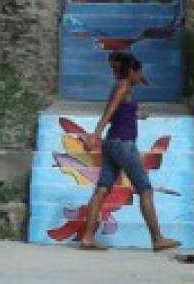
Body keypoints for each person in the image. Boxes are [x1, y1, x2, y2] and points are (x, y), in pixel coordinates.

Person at [78, 51, 181, 252]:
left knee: (102, 189)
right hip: (123, 144)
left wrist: (136, 113)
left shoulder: (124, 86)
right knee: (145, 189)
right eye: (138, 72)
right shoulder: (124, 86)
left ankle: (88, 237)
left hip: (113, 144)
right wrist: (95, 134)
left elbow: (121, 111)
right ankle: (157, 238)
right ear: (132, 70)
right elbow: (110, 110)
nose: (140, 76)